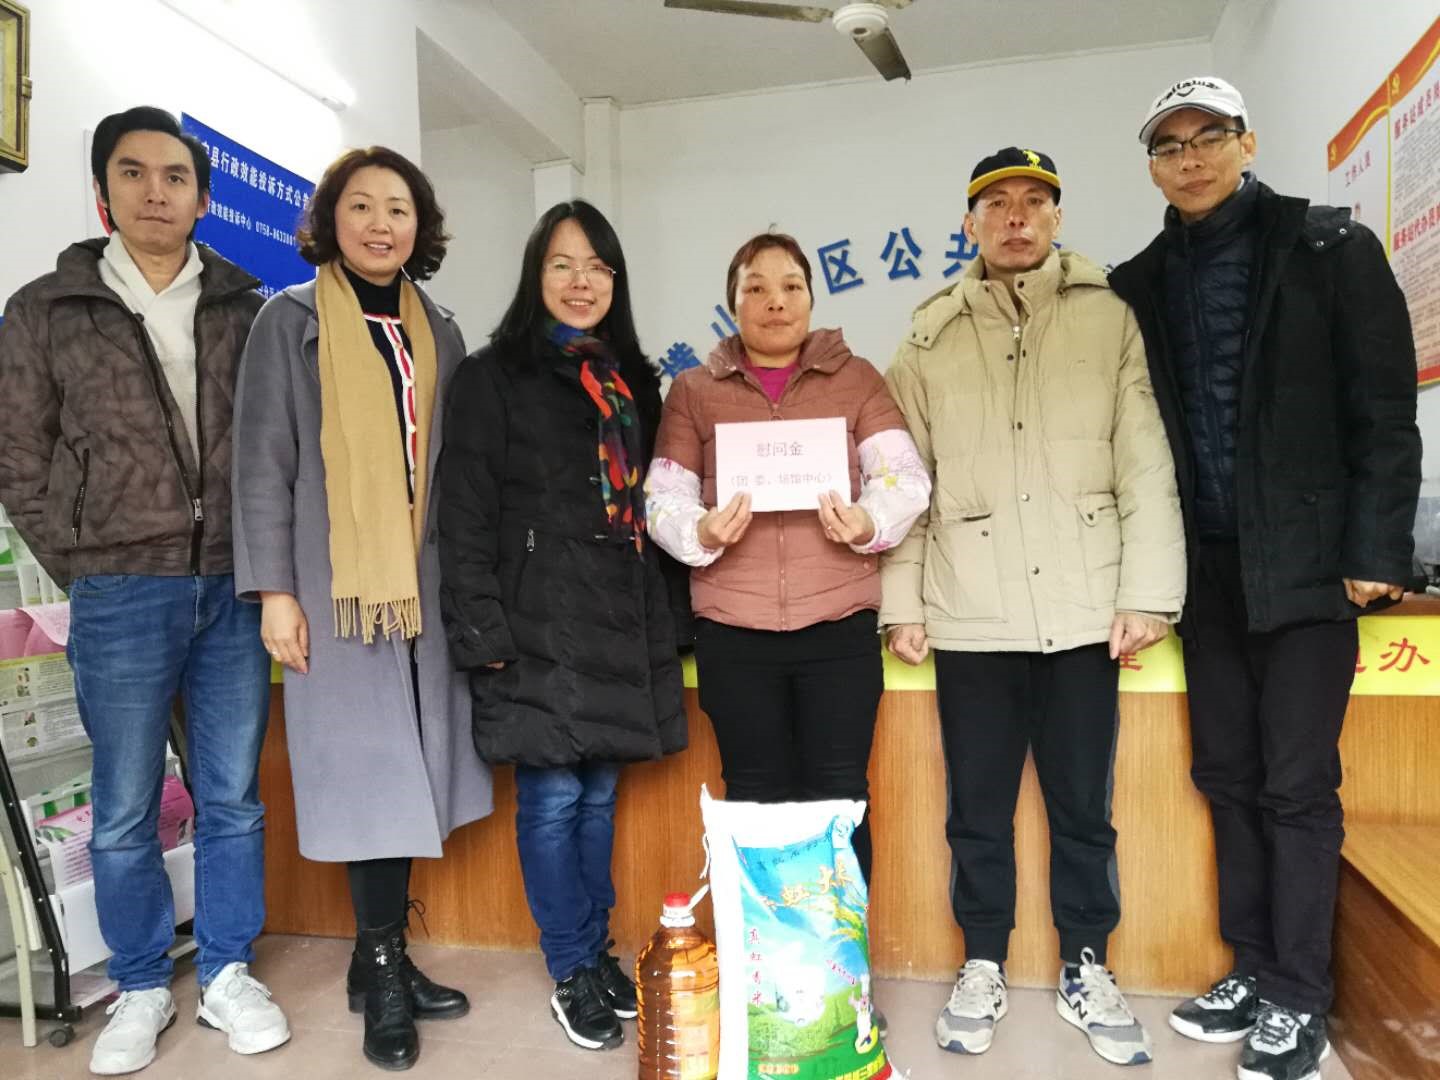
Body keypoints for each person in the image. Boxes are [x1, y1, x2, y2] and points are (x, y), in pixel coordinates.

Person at [1108, 77, 1421, 1080]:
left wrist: (1376, 549)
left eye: (1210, 137)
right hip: (1206, 574)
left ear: (1247, 144)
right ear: (1153, 168)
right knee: (1228, 778)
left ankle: (1299, 995)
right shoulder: (1138, 282)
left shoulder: (1328, 247)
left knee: (1295, 787)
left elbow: (1384, 408)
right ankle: (1252, 966)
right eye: (1170, 146)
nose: (1191, 158)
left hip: (1309, 568)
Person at [0, 106, 288, 1076]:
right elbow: (18, 454)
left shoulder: (248, 309)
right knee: (125, 802)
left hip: (234, 583)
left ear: (202, 198)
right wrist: (85, 561)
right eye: (134, 173)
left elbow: (276, 447)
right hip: (122, 587)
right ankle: (136, 984)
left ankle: (229, 973)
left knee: (231, 793)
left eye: (174, 177)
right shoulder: (46, 309)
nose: (155, 192)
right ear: (103, 192)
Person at [881, 148, 1186, 1067]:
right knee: (976, 810)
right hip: (969, 611)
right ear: (970, 223)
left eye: (1034, 202)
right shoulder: (928, 338)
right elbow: (903, 483)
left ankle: (1089, 964)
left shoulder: (1109, 317)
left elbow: (1144, 460)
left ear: (1056, 217)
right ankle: (982, 961)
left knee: (1083, 809)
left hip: (1085, 609)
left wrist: (1148, 592)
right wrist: (902, 600)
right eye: (997, 204)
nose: (1016, 217)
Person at [231, 147, 493, 1071]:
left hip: (425, 586)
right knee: (367, 773)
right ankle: (382, 969)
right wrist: (275, 593)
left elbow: (459, 466)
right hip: (336, 583)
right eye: (362, 206)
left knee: (414, 766)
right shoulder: (290, 321)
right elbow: (262, 462)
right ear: (329, 220)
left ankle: (377, 954)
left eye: (399, 209)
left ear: (421, 226)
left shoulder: (440, 329)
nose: (382, 224)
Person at [436, 200, 685, 1053]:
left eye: (598, 268)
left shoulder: (632, 380)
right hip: (533, 618)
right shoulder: (491, 375)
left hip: (615, 616)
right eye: (563, 265)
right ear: (535, 274)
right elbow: (464, 513)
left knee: (599, 797)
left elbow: (654, 508)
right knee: (551, 801)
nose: (582, 282)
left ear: (616, 281)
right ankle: (571, 965)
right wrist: (481, 629)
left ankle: (597, 950)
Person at [648, 231, 930, 893]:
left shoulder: (857, 380)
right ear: (734, 305)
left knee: (839, 797)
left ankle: (841, 957)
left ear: (810, 298)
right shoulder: (693, 391)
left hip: (837, 628)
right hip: (734, 632)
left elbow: (906, 479)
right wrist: (700, 531)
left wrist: (868, 521)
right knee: (755, 795)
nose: (775, 302)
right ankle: (767, 958)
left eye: (791, 286)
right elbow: (663, 496)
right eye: (756, 288)